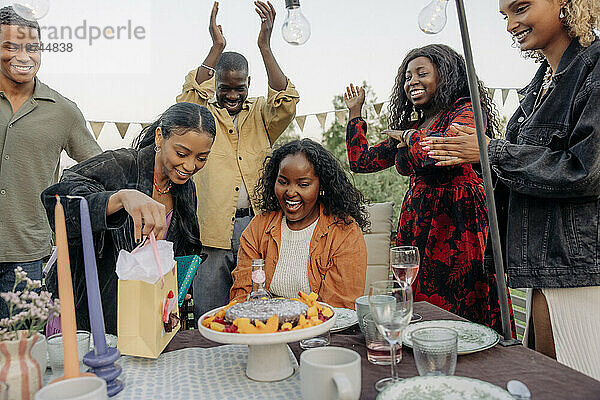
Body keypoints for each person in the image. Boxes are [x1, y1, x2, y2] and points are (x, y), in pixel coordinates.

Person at [423, 0, 600, 380]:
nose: (510, 25)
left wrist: (491, 151)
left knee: (572, 384)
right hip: (542, 264)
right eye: (505, 16)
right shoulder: (538, 89)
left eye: (521, 9)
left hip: (580, 271)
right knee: (547, 380)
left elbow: (586, 170)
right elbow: (522, 175)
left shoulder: (594, 69)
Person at [345, 44, 514, 334]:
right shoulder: (417, 123)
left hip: (458, 222)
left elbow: (434, 152)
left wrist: (408, 137)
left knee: (460, 306)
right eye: (408, 77)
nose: (412, 81)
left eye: (421, 73)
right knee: (416, 302)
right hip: (419, 222)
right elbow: (361, 162)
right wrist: (355, 113)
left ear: (446, 76)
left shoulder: (466, 111)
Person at [41, 103, 216, 334]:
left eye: (201, 158)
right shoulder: (119, 165)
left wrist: (173, 297)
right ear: (160, 137)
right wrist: (120, 198)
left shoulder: (185, 190)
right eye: (181, 154)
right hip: (87, 318)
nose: (190, 165)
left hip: (142, 322)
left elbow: (177, 256)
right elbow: (57, 199)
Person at [176, 1, 299, 319]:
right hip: (213, 228)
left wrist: (265, 46)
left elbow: (286, 102)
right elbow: (188, 97)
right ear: (215, 85)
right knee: (212, 309)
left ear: (248, 85)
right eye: (224, 88)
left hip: (256, 225)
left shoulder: (261, 112)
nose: (232, 94)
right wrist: (216, 47)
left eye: (239, 88)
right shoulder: (201, 115)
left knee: (257, 305)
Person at [0, 7, 101, 318]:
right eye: (10, 46)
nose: (24, 55)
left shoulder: (63, 111)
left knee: (23, 351)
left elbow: (99, 169)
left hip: (27, 256)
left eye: (32, 47)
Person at [230, 139, 368, 308]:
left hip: (321, 329)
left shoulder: (344, 231)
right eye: (283, 182)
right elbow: (242, 295)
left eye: (303, 184)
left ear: (321, 186)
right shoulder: (258, 227)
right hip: (265, 328)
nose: (290, 192)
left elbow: (339, 305)